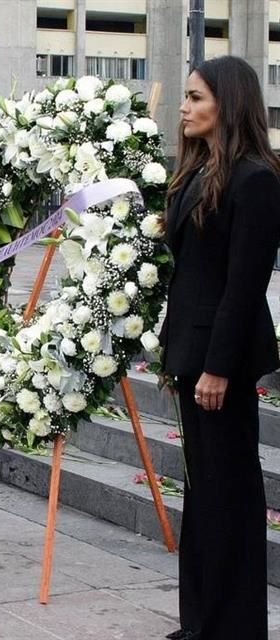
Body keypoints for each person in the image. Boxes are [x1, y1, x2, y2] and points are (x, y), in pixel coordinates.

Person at [160, 56, 280, 640]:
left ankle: (235, 628)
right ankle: (200, 622)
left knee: (229, 492)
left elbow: (242, 285)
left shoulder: (256, 179)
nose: (184, 107)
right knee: (203, 493)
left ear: (227, 105)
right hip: (189, 352)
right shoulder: (195, 174)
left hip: (220, 363)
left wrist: (217, 368)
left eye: (195, 97)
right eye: (184, 96)